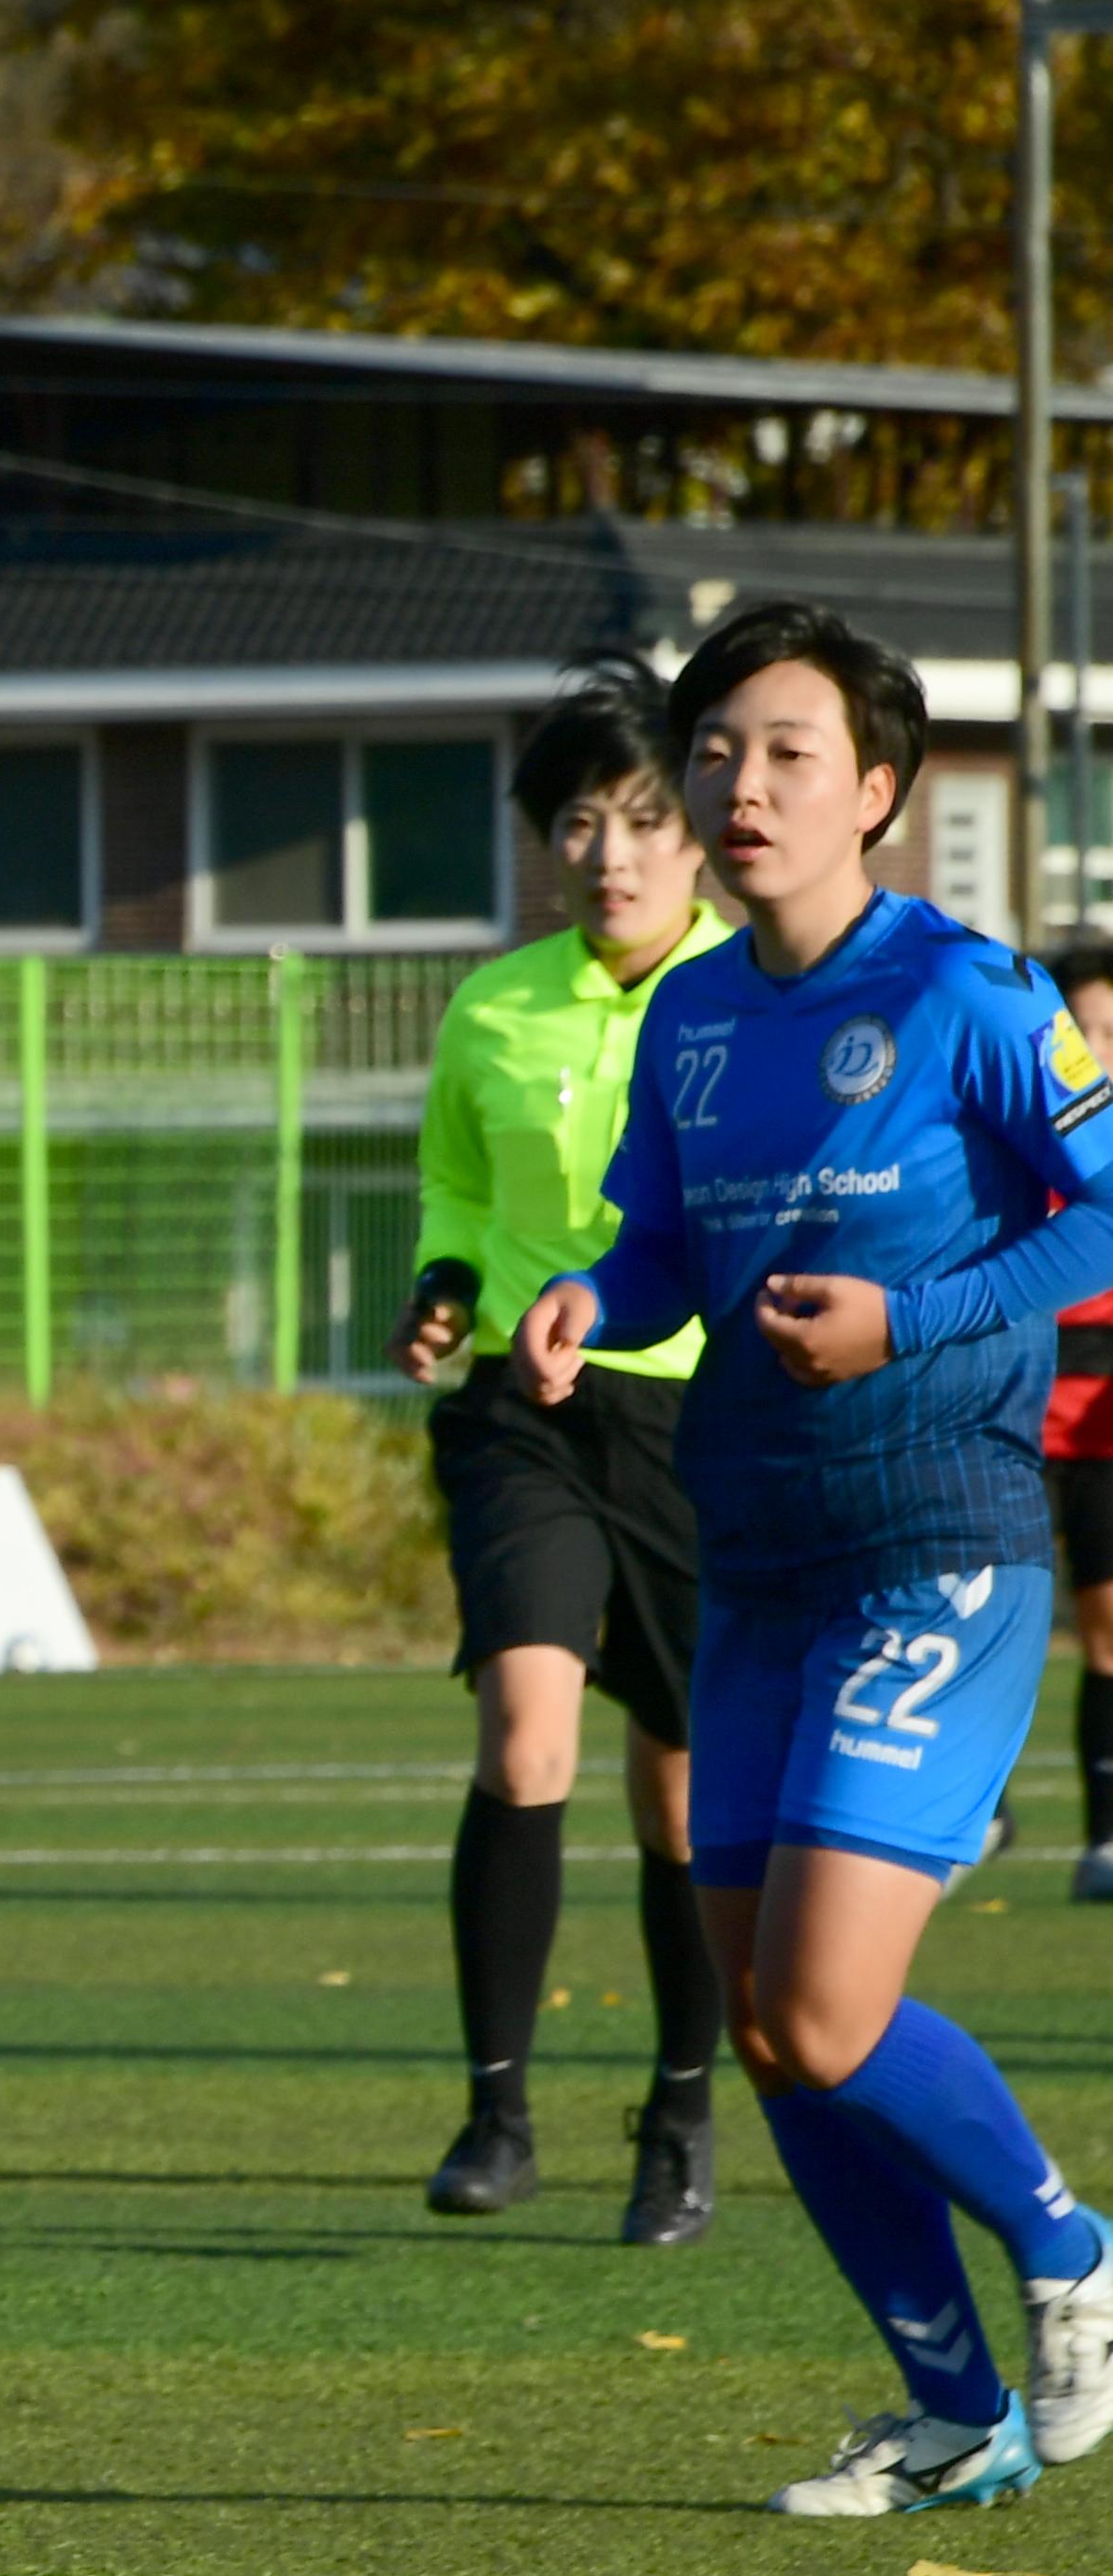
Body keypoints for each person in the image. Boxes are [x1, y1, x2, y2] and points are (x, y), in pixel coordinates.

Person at [518, 600, 1113, 2515]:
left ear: (879, 789)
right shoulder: (691, 1009)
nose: (738, 781)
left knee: (833, 2000)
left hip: (933, 1530)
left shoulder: (973, 991)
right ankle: (952, 2413)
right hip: (753, 1543)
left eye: (784, 751)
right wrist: (583, 1295)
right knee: (773, 2027)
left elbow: (1100, 1220)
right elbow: (659, 1244)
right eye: (717, 750)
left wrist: (906, 1322)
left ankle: (1078, 2245)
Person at [392, 657, 731, 2240]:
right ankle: (494, 2110)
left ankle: (677, 2116)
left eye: (641, 817)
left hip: (699, 1419)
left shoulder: (751, 1003)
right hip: (521, 1416)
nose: (608, 851)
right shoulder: (488, 1006)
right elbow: (457, 1194)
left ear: (697, 832)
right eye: (579, 821)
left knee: (676, 1806)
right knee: (523, 1736)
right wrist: (445, 1286)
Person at [1051, 940, 1113, 1901]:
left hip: (1103, 1418)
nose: (1097, 1048)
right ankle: (969, 1810)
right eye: (1080, 1030)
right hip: (1016, 1405)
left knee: (1106, 1630)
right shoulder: (1019, 1137)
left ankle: (1104, 1838)